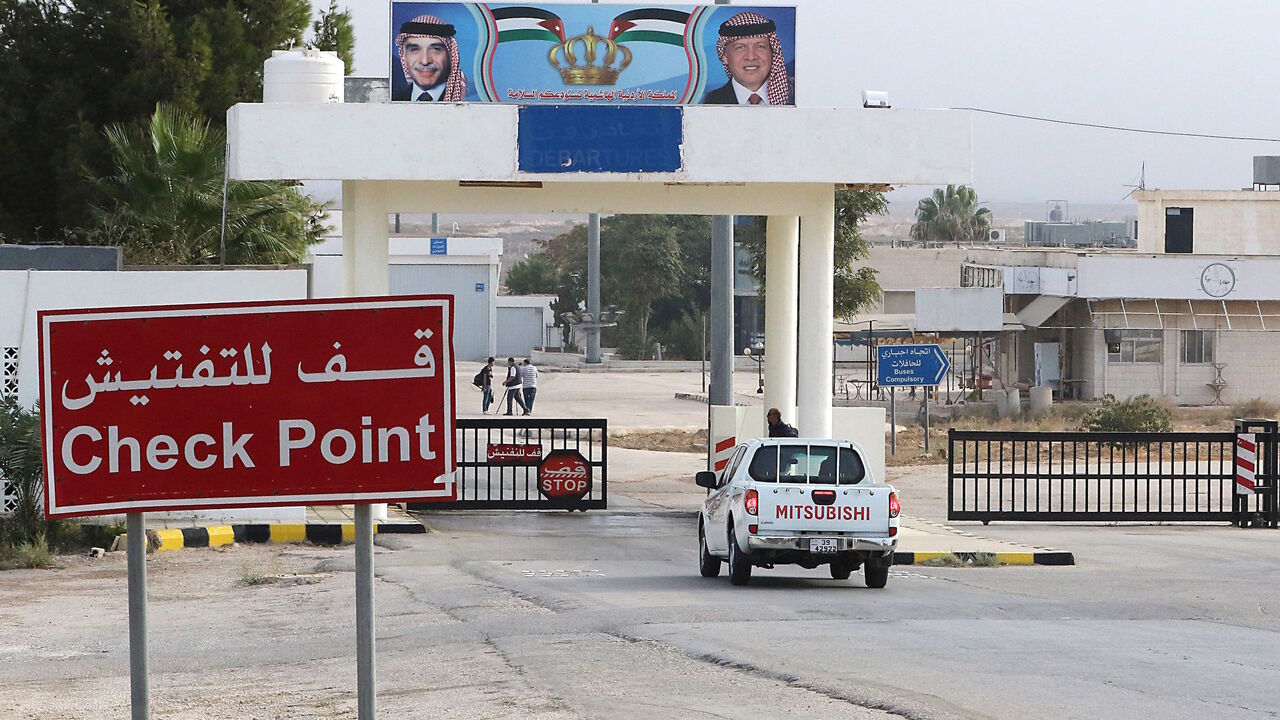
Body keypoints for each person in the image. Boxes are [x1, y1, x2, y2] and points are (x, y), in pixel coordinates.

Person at [701, 11, 794, 106]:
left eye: (760, 46)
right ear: (725, 56)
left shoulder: (795, 95)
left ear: (772, 52)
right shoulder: (709, 102)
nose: (751, 57)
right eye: (740, 47)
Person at [392, 14, 468, 102]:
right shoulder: (394, 100)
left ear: (450, 56)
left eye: (436, 49)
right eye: (414, 50)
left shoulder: (466, 102)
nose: (425, 61)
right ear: (404, 56)